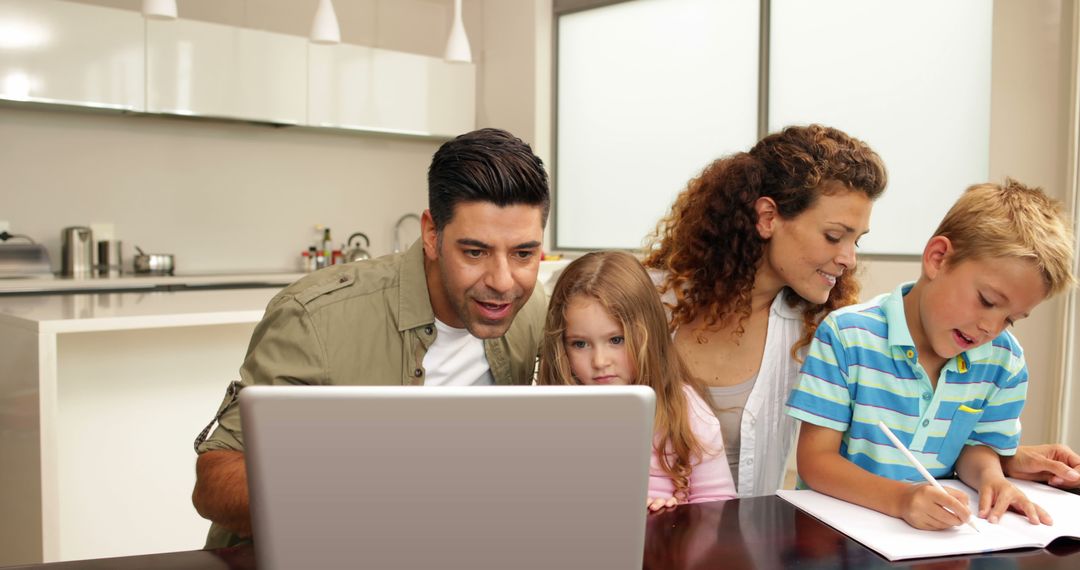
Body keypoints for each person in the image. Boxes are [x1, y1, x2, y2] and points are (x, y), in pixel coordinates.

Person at [644, 124, 1080, 497]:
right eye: (835, 236)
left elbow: (896, 420)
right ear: (767, 217)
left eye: (857, 240)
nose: (849, 258)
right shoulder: (642, 307)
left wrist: (1006, 459)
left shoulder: (816, 326)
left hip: (748, 541)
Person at [191, 128, 551, 548]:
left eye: (523, 254)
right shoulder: (315, 317)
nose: (503, 282)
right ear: (432, 234)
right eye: (474, 252)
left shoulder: (534, 310)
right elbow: (215, 481)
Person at [787, 179, 1076, 530]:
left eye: (1010, 319)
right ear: (938, 258)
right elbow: (815, 462)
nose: (990, 328)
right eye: (987, 301)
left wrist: (991, 479)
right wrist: (901, 500)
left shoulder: (1003, 361)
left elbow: (975, 447)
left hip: (931, 544)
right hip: (834, 538)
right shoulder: (847, 336)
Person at [537, 251, 736, 510]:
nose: (600, 361)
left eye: (616, 340)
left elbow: (717, 510)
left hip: (670, 547)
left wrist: (670, 522)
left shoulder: (687, 411)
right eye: (580, 344)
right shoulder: (551, 416)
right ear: (561, 347)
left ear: (648, 334)